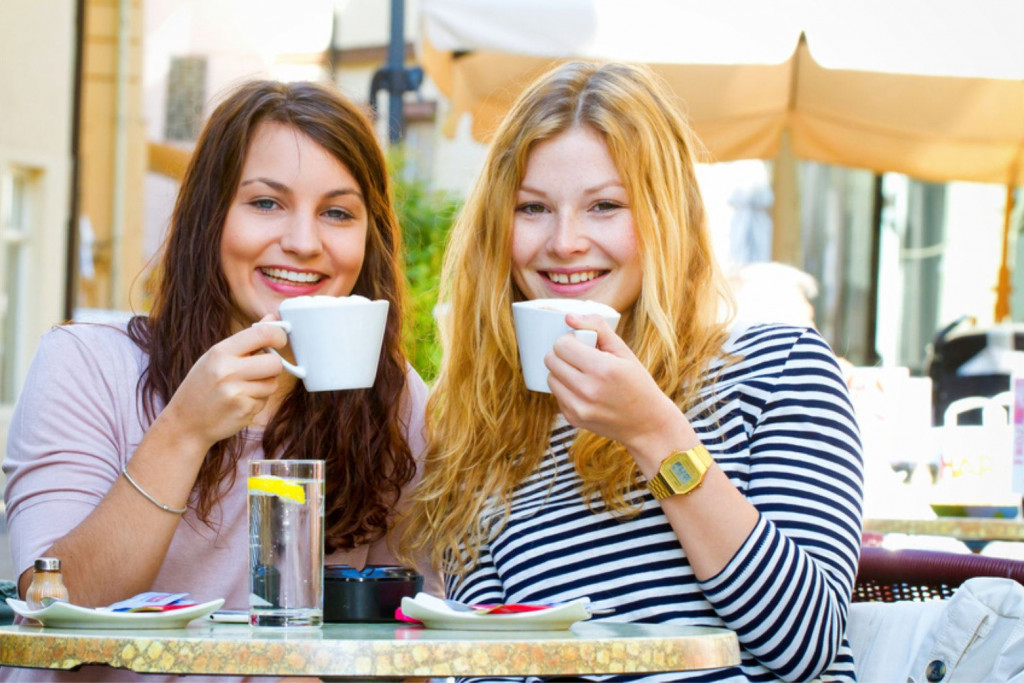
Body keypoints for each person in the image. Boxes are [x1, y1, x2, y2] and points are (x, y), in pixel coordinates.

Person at [402, 62, 864, 681]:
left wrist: (653, 434)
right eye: (534, 208)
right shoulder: (485, 429)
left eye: (605, 206)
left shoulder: (776, 368)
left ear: (665, 216)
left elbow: (802, 643)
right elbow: (492, 663)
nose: (564, 241)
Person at [3, 80, 436, 680]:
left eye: (337, 213)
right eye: (265, 203)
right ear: (210, 216)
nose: (303, 242)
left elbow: (404, 644)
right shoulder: (86, 365)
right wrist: (183, 431)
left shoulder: (395, 402)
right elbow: (56, 607)